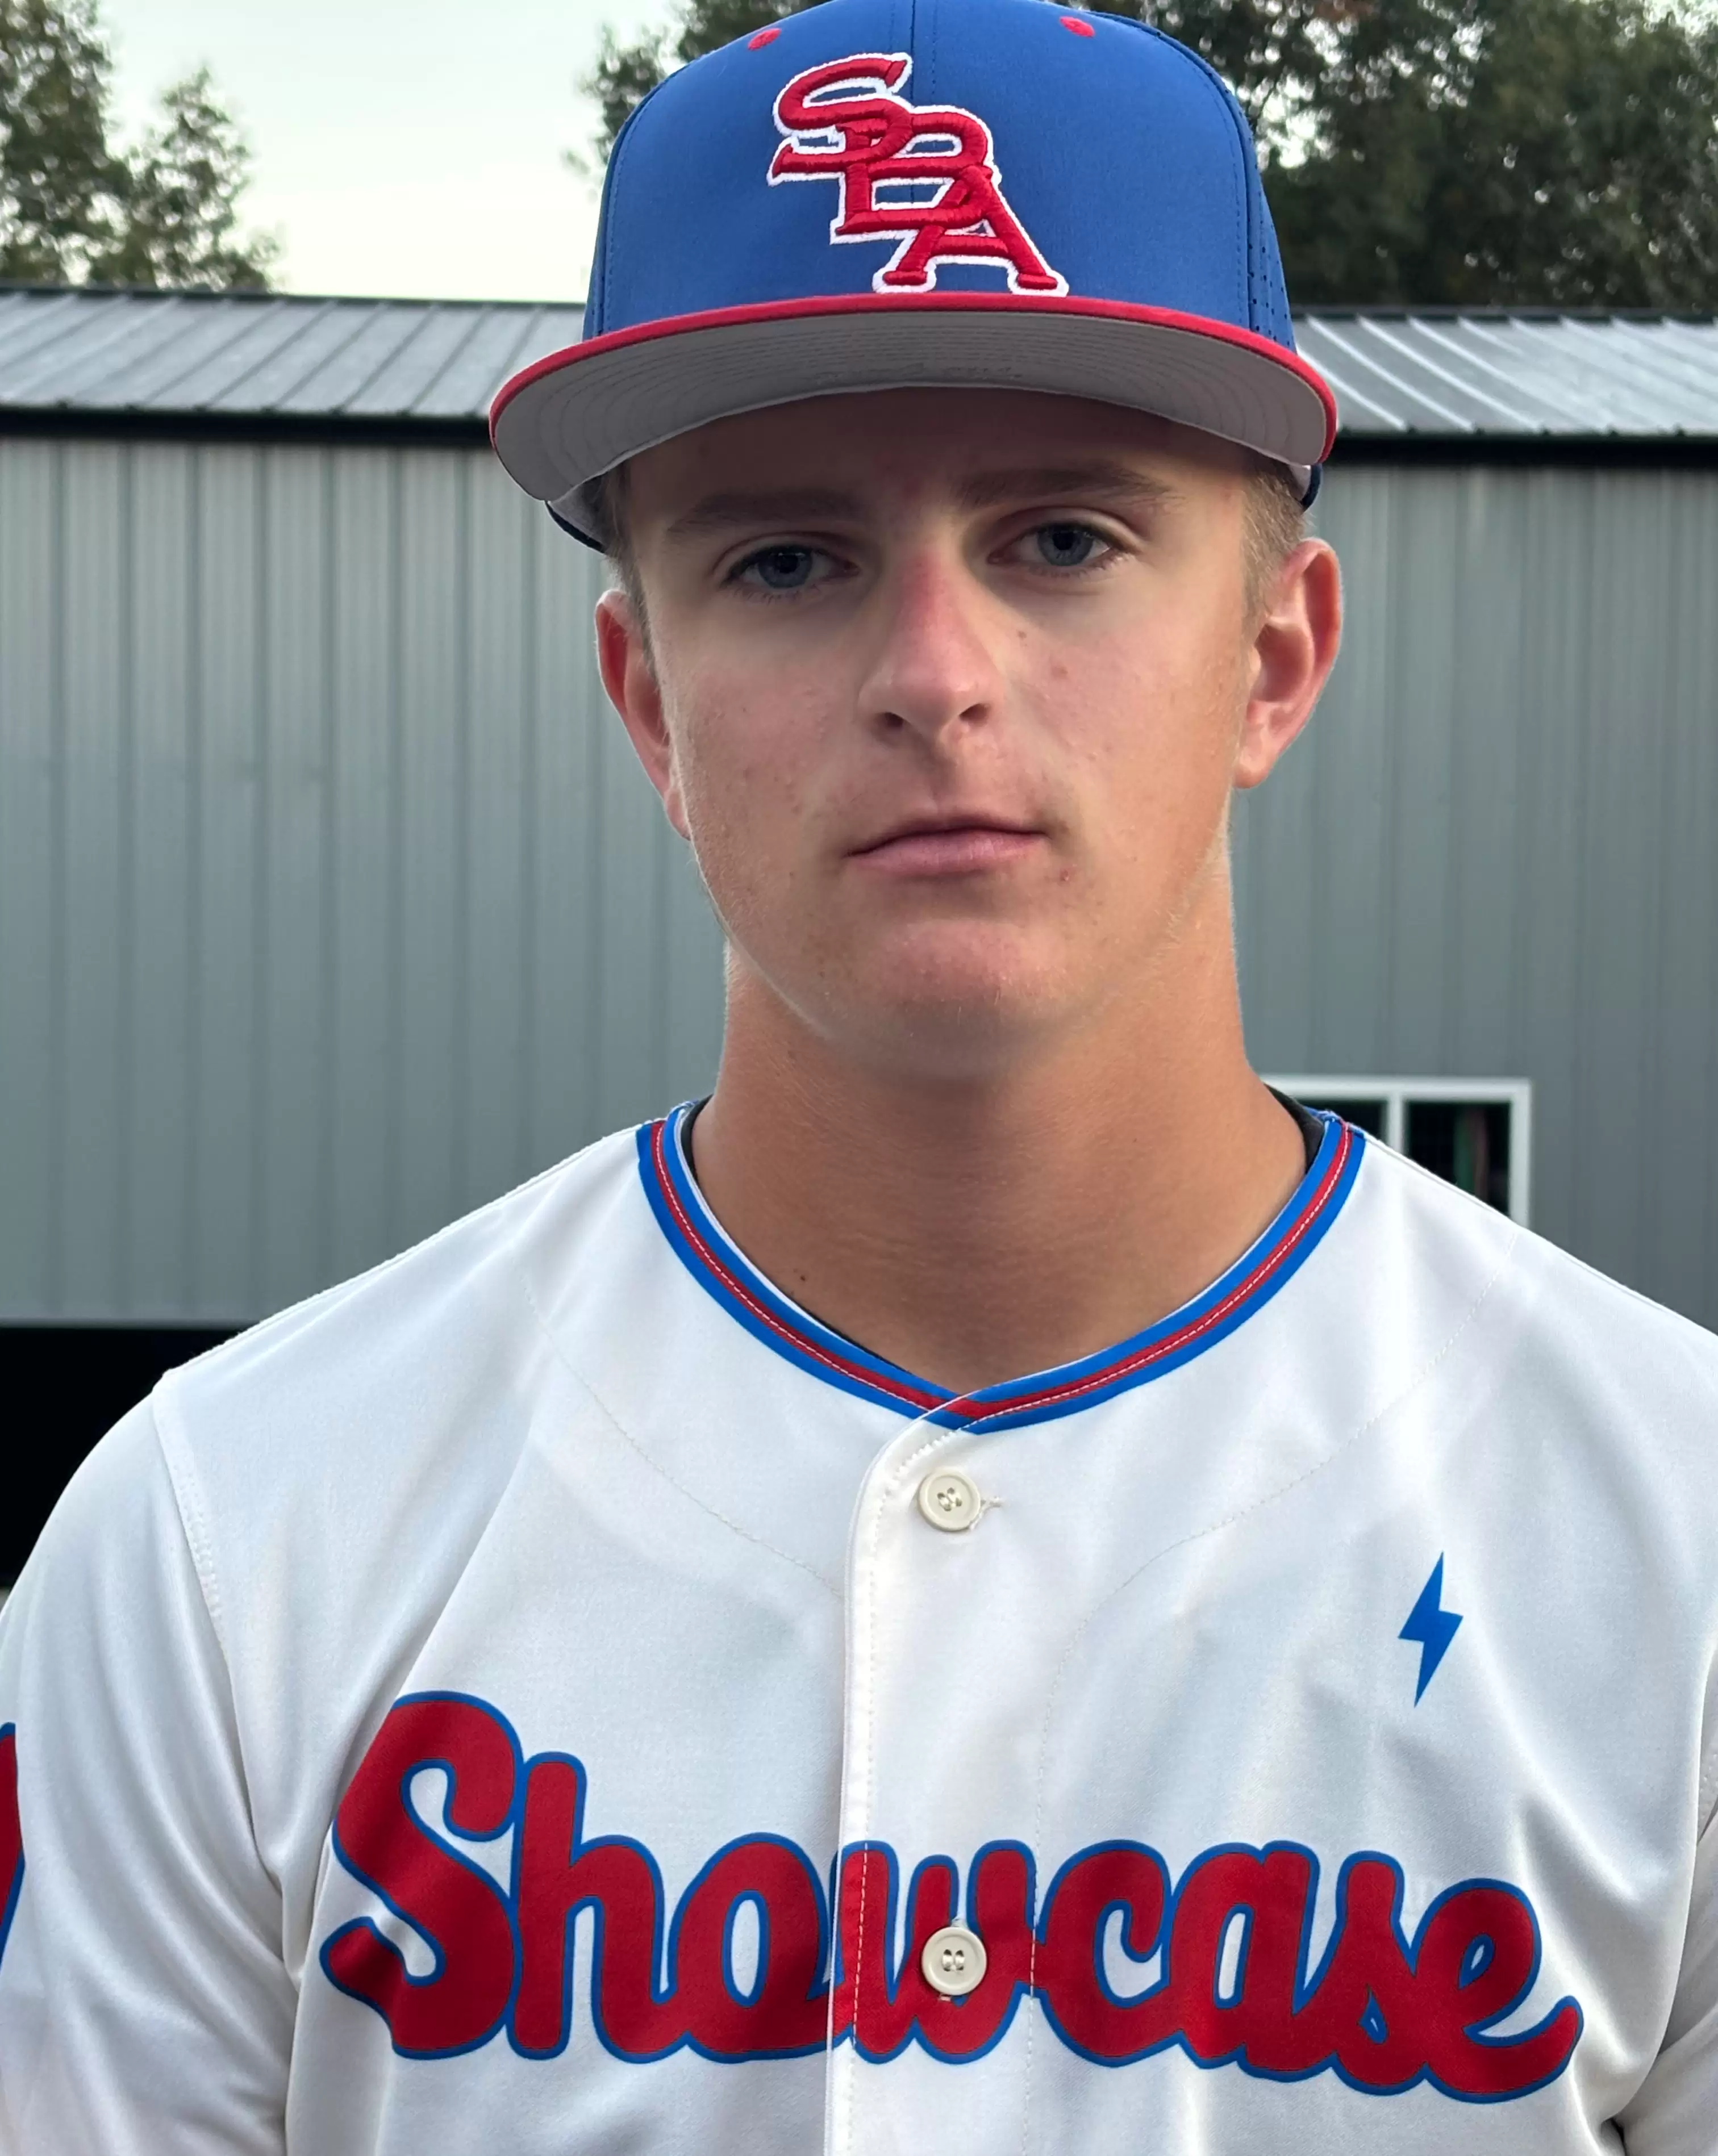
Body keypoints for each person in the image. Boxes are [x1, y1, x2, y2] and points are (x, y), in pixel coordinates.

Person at [2, 0, 1715, 2149]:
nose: (934, 673)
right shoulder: (218, 1545)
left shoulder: (1678, 1536)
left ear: (1273, 655)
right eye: (786, 559)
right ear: (649, 699)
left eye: (1065, 537)